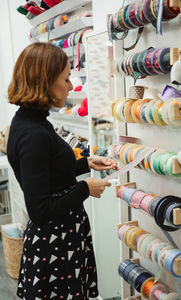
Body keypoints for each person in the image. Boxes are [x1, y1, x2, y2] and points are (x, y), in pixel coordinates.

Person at [7, 42, 118, 300]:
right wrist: (85, 188)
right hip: (55, 248)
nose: (70, 86)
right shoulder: (33, 133)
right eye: (66, 78)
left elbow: (48, 171)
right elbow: (40, 208)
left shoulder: (31, 121)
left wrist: (85, 163)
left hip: (61, 242)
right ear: (45, 80)